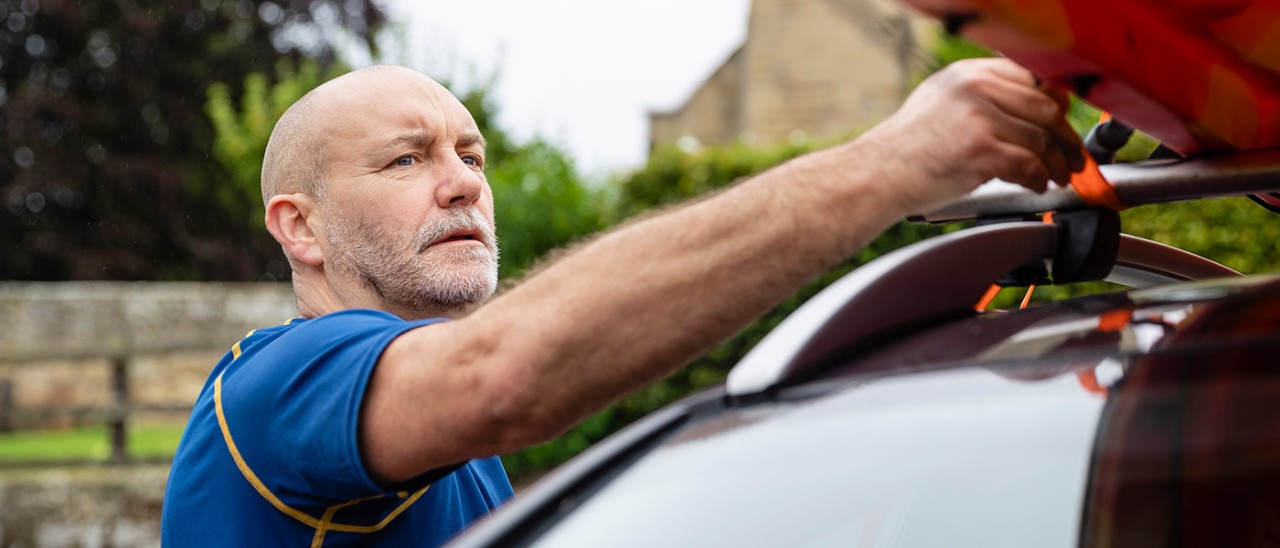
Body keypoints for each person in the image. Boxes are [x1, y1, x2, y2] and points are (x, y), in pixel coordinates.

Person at [160, 58, 1084, 545]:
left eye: (472, 157)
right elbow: (504, 374)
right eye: (407, 158)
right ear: (301, 229)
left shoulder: (440, 450)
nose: (462, 187)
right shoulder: (276, 386)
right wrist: (893, 163)